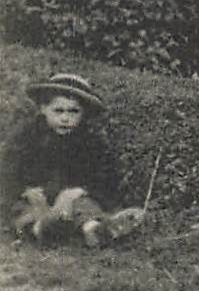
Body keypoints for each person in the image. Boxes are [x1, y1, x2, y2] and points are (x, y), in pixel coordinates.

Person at [1, 73, 145, 248]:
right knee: (23, 210)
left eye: (73, 111)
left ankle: (96, 230)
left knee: (85, 207)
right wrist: (25, 191)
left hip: (72, 201)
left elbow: (105, 176)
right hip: (36, 198)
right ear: (43, 108)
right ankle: (40, 229)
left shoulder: (91, 142)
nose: (65, 118)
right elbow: (9, 169)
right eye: (58, 110)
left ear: (84, 114)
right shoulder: (27, 136)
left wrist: (78, 191)